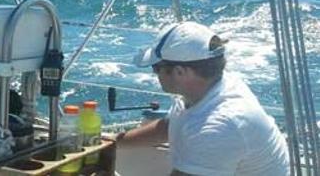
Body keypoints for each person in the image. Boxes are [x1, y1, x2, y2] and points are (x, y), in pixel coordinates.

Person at [116, 21, 290, 176]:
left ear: (180, 72)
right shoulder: (210, 87)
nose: (155, 74)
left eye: (156, 68)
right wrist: (114, 142)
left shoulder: (220, 126)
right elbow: (169, 126)